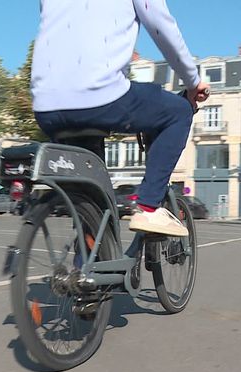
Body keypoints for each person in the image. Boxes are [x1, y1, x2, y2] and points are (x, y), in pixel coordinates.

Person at [31, 0, 210, 238]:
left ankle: (87, 263)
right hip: (101, 96)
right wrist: (193, 81)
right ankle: (148, 206)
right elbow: (160, 25)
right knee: (178, 112)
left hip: (46, 104)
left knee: (91, 199)